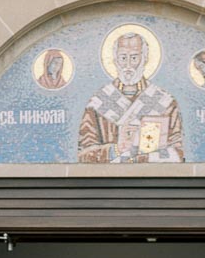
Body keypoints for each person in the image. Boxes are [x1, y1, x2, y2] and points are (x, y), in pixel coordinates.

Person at [77, 31, 184, 163]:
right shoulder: (97, 102)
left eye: (134, 58)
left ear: (145, 59)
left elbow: (178, 153)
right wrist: (116, 150)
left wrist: (143, 155)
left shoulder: (165, 102)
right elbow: (83, 156)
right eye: (123, 57)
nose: (128, 65)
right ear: (115, 60)